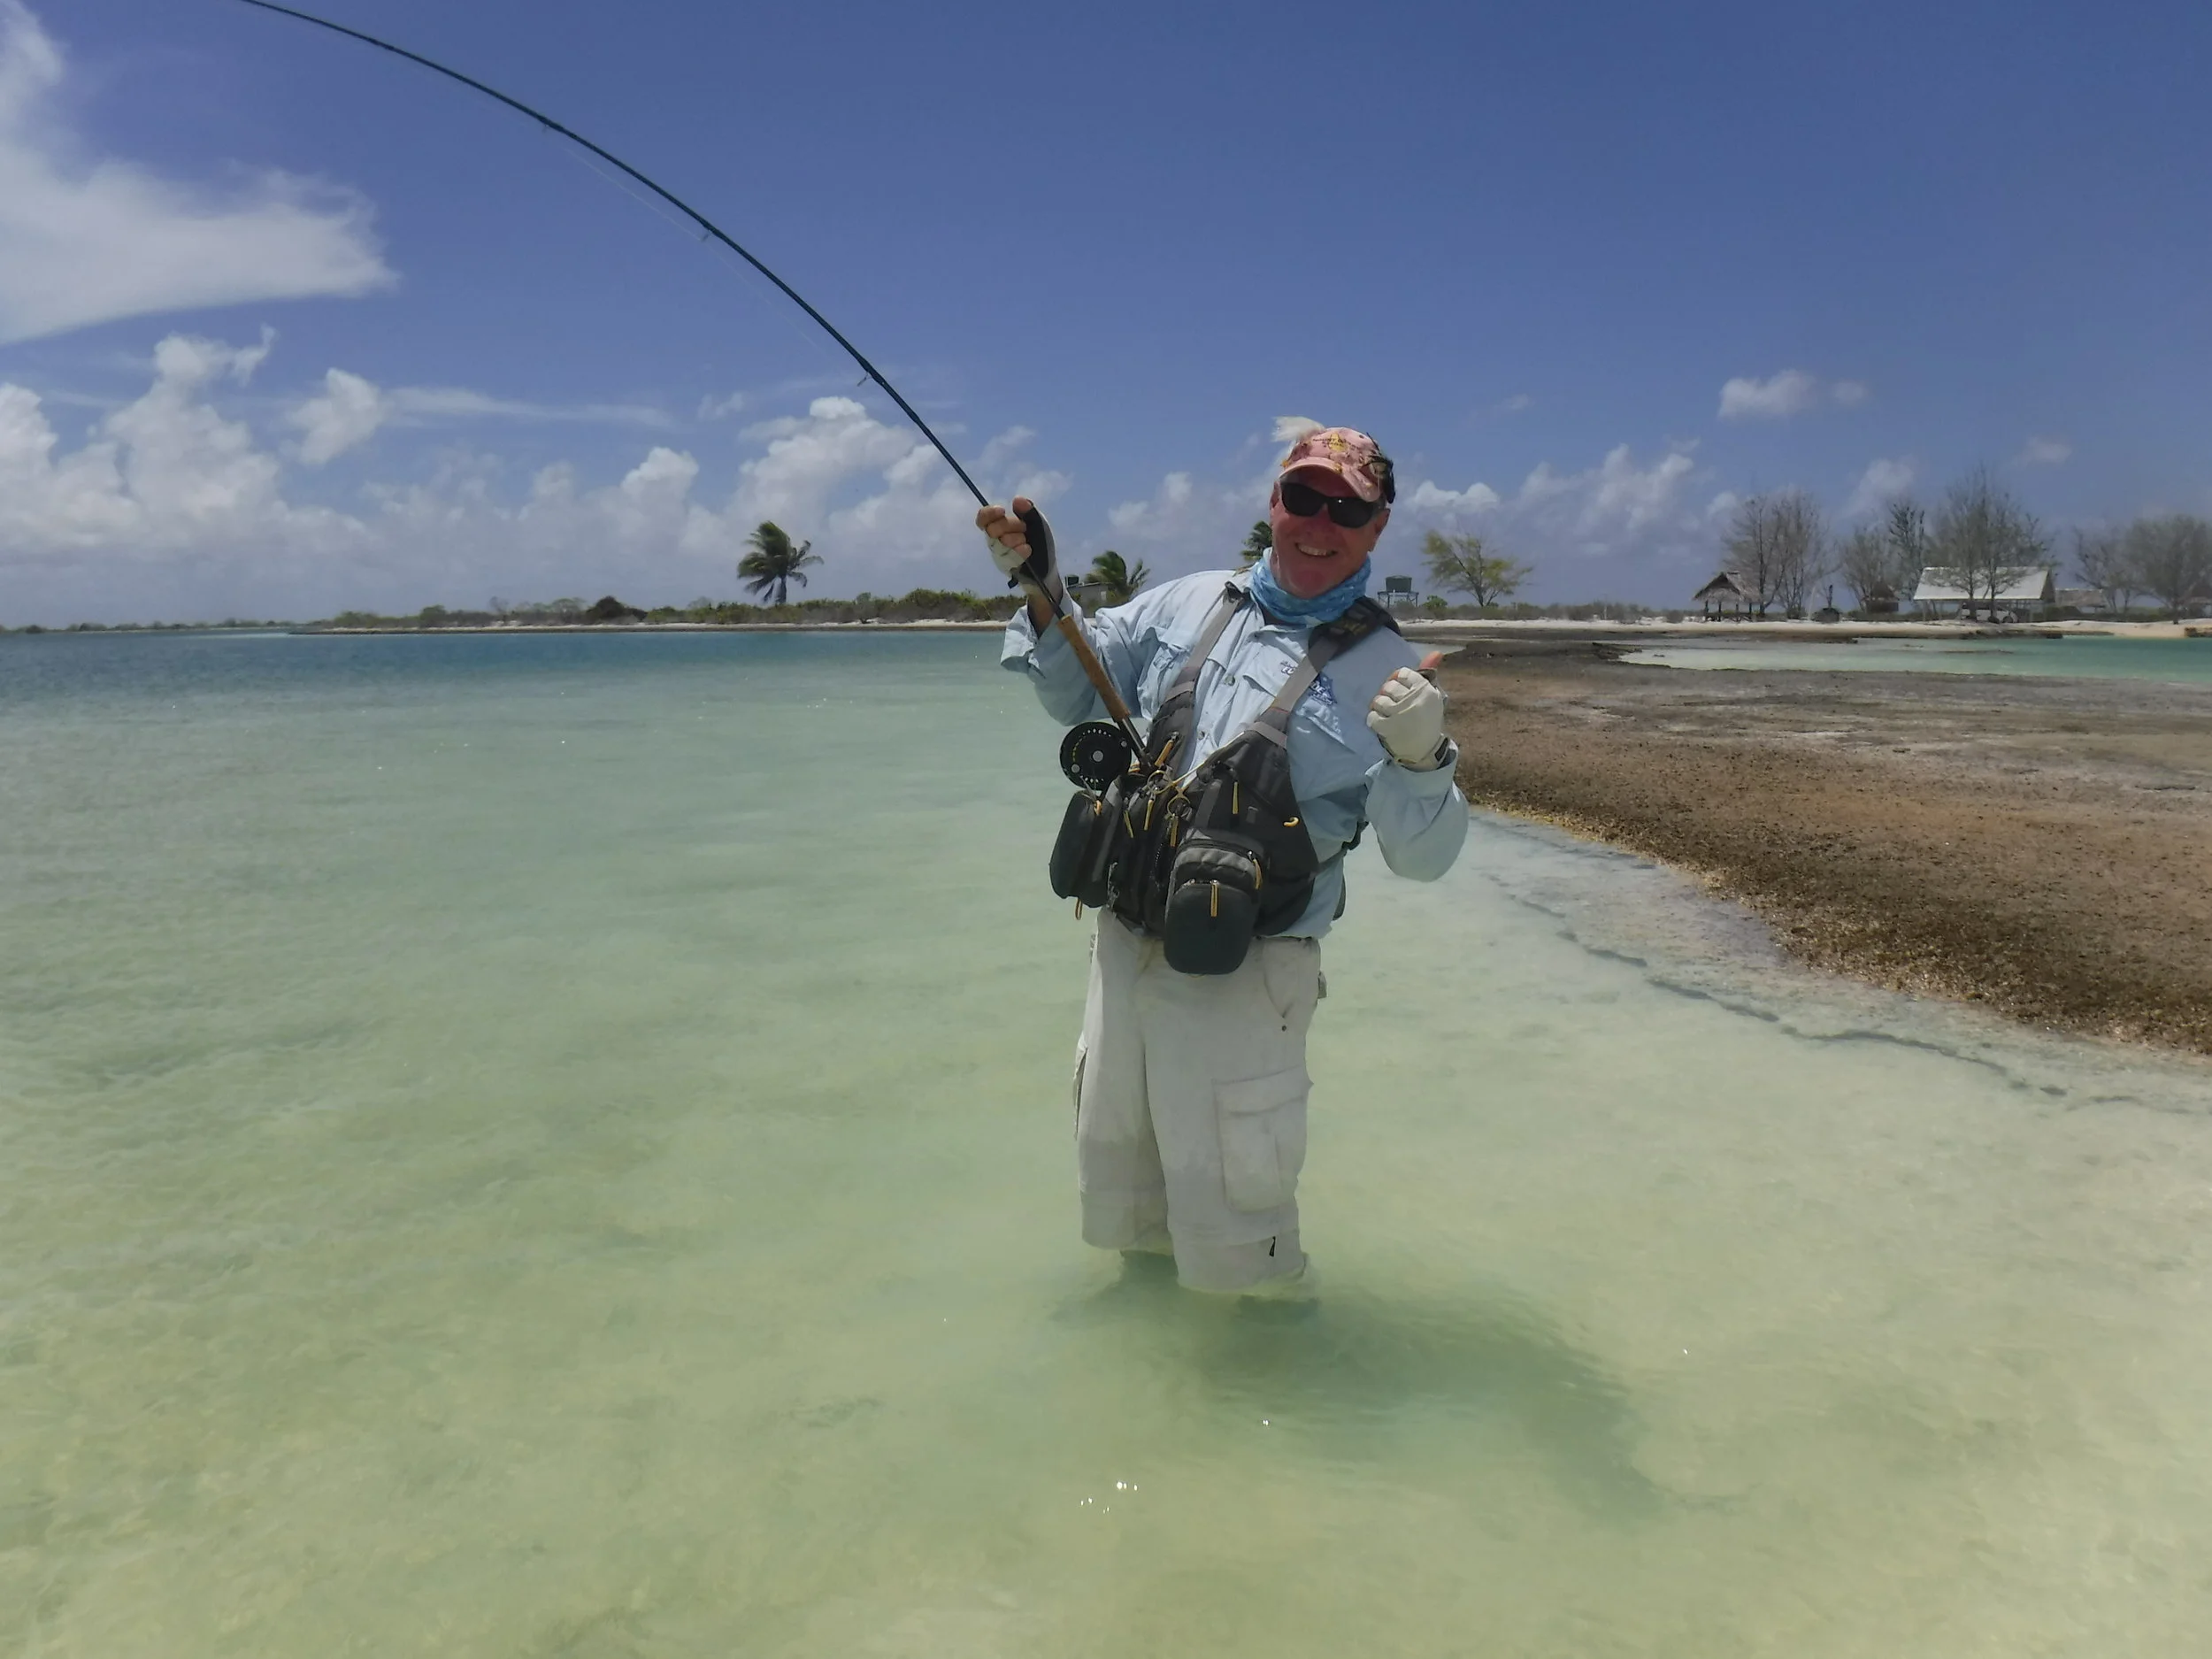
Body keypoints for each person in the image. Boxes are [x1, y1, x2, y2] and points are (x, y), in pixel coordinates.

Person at [980, 424, 1469, 1299]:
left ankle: (1270, 1362)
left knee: (1236, 1207)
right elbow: (1069, 691)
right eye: (1302, 498)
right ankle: (1147, 1351)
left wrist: (1423, 758)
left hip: (1250, 968)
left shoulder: (1391, 672)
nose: (1318, 523)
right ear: (1272, 503)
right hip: (1127, 942)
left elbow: (1423, 861)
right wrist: (1044, 589)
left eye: (1346, 508)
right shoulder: (1188, 602)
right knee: (1119, 1161)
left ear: (1377, 525)